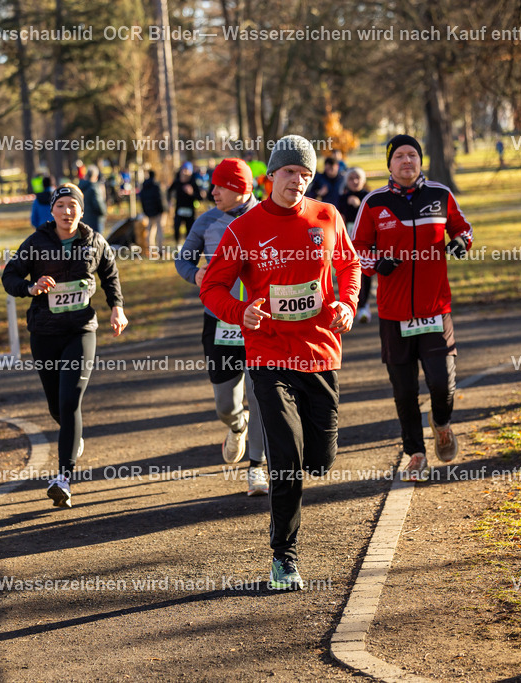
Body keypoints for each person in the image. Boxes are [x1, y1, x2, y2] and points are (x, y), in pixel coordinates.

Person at [201, 135, 360, 590]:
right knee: (286, 459)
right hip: (269, 356)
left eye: (306, 174)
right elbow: (212, 287)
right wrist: (240, 311)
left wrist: (347, 303)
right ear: (271, 175)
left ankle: (310, 461)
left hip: (320, 353)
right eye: (290, 172)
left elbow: (349, 266)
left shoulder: (326, 216)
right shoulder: (244, 229)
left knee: (320, 461)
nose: (298, 180)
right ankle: (283, 558)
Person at [351, 134, 472, 481]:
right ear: (389, 164)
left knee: (442, 384)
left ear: (420, 161)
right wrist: (377, 262)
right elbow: (356, 250)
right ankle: (416, 454)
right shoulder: (374, 202)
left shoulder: (440, 194)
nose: (407, 161)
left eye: (413, 155)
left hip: (435, 309)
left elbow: (464, 229)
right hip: (394, 314)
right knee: (404, 391)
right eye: (400, 156)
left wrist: (461, 242)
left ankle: (442, 423)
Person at [2, 185, 127, 509]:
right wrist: (31, 287)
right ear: (52, 210)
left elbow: (110, 275)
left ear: (82, 211)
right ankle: (73, 436)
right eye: (61, 205)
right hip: (44, 332)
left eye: (73, 205)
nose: (67, 211)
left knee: (70, 402)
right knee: (57, 407)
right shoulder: (36, 242)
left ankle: (63, 479)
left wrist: (117, 308)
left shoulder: (94, 242)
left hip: (80, 331)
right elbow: (9, 276)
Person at [175, 158, 267, 496]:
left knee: (260, 397)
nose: (213, 191)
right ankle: (237, 425)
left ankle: (256, 468)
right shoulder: (207, 221)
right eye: (213, 185)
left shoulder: (266, 216)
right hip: (220, 322)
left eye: (221, 186)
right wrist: (195, 274)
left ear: (241, 188)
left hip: (259, 322)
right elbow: (183, 259)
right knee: (225, 405)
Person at [337, 168, 372, 323]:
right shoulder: (342, 198)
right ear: (347, 181)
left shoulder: (368, 197)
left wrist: (359, 206)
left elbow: (372, 218)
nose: (355, 181)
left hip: (365, 241)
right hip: (348, 241)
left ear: (363, 180)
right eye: (351, 178)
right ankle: (351, 303)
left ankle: (364, 305)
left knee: (365, 272)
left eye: (358, 178)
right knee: (349, 271)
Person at [168, 162, 203, 243]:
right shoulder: (177, 182)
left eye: (186, 170)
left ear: (190, 172)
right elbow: (169, 191)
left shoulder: (193, 182)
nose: (184, 172)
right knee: (176, 228)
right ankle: (178, 244)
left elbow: (200, 198)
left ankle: (188, 246)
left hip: (190, 211)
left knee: (189, 231)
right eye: (183, 170)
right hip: (179, 210)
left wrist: (192, 193)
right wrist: (170, 201)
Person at [138, 171, 166, 253]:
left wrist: (146, 211)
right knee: (159, 230)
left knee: (150, 230)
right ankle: (160, 249)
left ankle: (151, 248)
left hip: (149, 212)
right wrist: (163, 210)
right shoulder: (156, 186)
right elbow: (160, 199)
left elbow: (142, 200)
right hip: (158, 212)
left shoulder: (143, 187)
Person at [79, 167, 107, 235]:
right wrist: (104, 212)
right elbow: (99, 205)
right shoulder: (94, 188)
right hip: (95, 221)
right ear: (96, 176)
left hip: (83, 219)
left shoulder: (80, 187)